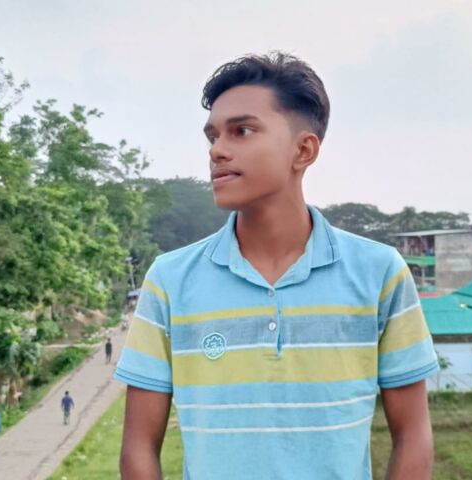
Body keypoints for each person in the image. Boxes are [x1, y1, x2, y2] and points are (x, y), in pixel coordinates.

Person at [114, 52, 439, 480]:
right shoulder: (170, 280)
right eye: (212, 136)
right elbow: (138, 446)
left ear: (303, 150)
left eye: (242, 131)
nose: (217, 151)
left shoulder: (379, 273)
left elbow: (413, 434)